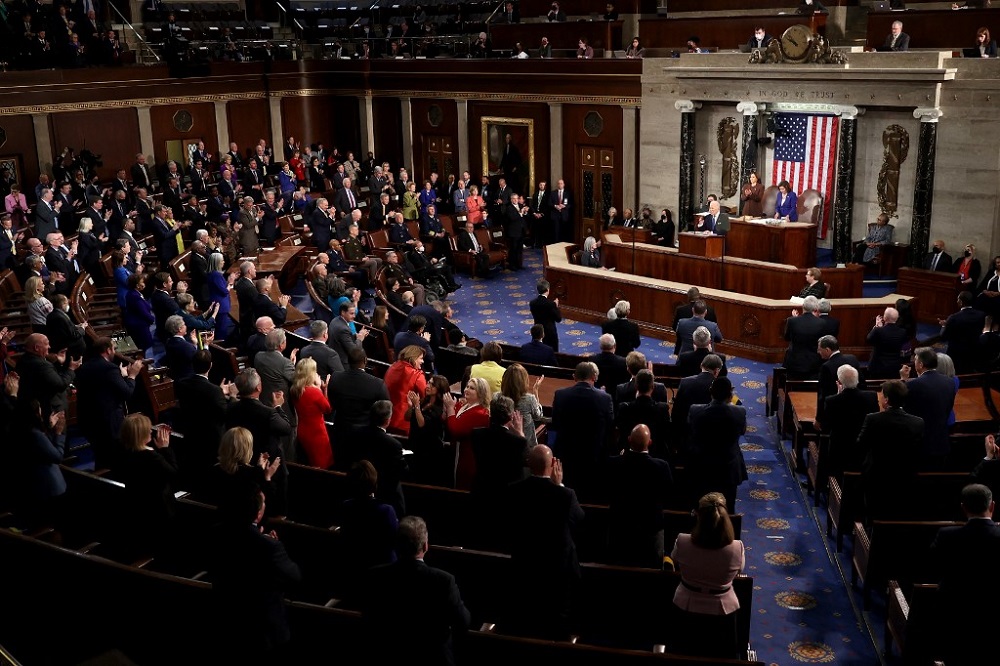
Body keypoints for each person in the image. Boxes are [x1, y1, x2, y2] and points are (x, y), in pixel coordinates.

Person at [361, 516, 470, 664]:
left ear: (396, 546)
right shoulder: (443, 581)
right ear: (425, 546)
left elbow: (368, 617)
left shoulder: (375, 576)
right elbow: (463, 621)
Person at [210, 487, 301, 662]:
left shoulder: (217, 532)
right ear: (258, 515)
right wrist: (269, 543)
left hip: (224, 621)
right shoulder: (271, 548)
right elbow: (295, 577)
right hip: (263, 632)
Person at [503, 445, 584, 640]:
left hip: (524, 565)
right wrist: (560, 486)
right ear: (552, 466)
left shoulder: (514, 490)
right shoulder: (565, 495)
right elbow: (579, 519)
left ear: (529, 464)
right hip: (557, 572)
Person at [928, 483, 1000, 665]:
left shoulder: (947, 535)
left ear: (963, 508)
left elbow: (932, 567)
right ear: (992, 506)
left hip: (953, 617)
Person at [670, 492, 745, 660]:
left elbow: (675, 561)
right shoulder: (737, 547)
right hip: (722, 611)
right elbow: (739, 570)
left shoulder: (682, 541)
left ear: (699, 517)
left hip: (686, 607)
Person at [858, 380, 923, 519]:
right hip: (904, 475)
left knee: (873, 512)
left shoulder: (873, 419)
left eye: (881, 395)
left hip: (876, 475)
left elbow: (861, 444)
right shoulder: (918, 422)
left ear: (886, 400)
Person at [551, 362, 614, 497]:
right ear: (594, 377)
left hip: (566, 456)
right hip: (594, 457)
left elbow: (555, 424)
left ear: (574, 377)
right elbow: (610, 426)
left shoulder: (560, 395)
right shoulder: (605, 398)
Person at [119, 413, 178, 553]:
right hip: (159, 511)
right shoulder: (152, 458)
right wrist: (165, 448)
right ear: (140, 434)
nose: (151, 431)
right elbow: (173, 472)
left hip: (137, 507)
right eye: (148, 429)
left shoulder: (125, 452)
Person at [328, 348, 390, 469]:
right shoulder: (377, 384)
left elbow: (332, 402)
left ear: (348, 360)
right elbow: (386, 409)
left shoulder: (335, 377)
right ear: (365, 361)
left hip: (340, 434)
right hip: (366, 438)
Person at [820, 365, 879, 480]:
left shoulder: (832, 401)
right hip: (864, 451)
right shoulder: (871, 397)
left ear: (839, 382)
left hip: (839, 452)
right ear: (857, 380)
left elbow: (826, 426)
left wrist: (838, 395)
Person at [471, 394, 529, 503]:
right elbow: (527, 461)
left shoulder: (476, 434)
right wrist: (520, 433)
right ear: (511, 416)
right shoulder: (518, 442)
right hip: (506, 497)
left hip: (481, 493)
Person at [445, 376, 492, 490]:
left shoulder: (480, 413)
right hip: (457, 452)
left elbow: (456, 429)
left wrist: (450, 408)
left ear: (481, 393)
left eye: (472, 388)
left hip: (468, 458)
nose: (466, 390)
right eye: (467, 386)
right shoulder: (465, 405)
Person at [291, 357, 333, 469]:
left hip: (303, 431)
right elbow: (327, 409)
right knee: (322, 465)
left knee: (311, 463)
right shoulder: (314, 392)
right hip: (316, 433)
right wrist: (323, 389)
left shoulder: (295, 390)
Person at [938, 291, 987, 373]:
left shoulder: (954, 318)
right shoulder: (982, 315)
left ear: (961, 302)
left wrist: (944, 326)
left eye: (958, 299)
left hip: (956, 354)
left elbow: (943, 337)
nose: (957, 301)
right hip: (974, 352)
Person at [385, 345, 427, 436]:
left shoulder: (392, 367)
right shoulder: (417, 375)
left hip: (387, 417)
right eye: (421, 358)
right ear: (413, 358)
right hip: (404, 422)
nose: (423, 361)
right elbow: (426, 396)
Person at [783, 295, 826, 379]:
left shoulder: (792, 321)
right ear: (816, 308)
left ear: (803, 306)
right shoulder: (822, 323)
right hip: (814, 363)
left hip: (794, 362)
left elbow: (787, 338)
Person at [866, 306, 911, 379]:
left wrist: (877, 327)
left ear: (884, 318)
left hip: (877, 368)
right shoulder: (902, 332)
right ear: (896, 319)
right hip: (894, 368)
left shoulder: (878, 331)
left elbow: (869, 339)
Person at [530, 279, 562, 352]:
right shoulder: (550, 304)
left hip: (537, 331)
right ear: (548, 290)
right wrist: (555, 306)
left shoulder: (532, 303)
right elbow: (558, 319)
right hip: (550, 333)